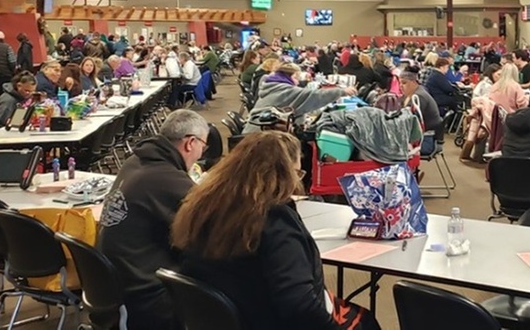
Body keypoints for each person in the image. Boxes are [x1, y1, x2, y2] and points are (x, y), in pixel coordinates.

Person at [173, 132, 380, 330]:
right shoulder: (274, 222)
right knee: (364, 320)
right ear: (283, 175)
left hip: (233, 317)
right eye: (297, 173)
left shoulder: (203, 208)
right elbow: (300, 305)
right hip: (268, 320)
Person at [98, 110, 209, 330]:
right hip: (144, 294)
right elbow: (211, 224)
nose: (200, 154)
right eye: (203, 147)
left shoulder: (136, 161)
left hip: (115, 282)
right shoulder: (166, 178)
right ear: (190, 143)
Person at [243, 63, 354, 134]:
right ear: (289, 76)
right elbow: (315, 96)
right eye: (296, 78)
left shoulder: (273, 86)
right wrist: (342, 91)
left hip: (255, 130)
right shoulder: (284, 90)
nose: (297, 82)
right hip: (257, 137)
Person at [400, 69, 444, 140]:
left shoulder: (419, 96)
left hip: (426, 138)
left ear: (413, 82)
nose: (400, 86)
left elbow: (410, 122)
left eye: (404, 83)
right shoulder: (413, 93)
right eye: (400, 83)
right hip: (422, 134)